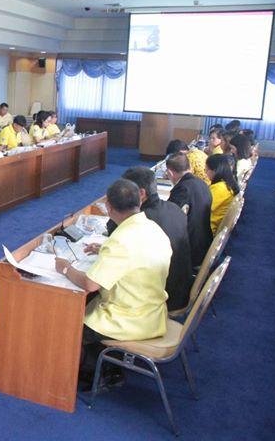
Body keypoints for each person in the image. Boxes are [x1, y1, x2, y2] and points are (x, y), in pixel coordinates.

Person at [55, 179, 171, 386]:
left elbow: (90, 284)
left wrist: (65, 268)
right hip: (153, 311)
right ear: (140, 200)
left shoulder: (121, 240)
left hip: (128, 319)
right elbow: (138, 255)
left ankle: (93, 372)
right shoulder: (153, 228)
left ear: (108, 207)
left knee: (65, 319)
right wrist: (103, 250)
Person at [110, 167, 193, 312]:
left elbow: (113, 233)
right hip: (181, 289)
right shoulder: (174, 208)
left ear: (141, 193)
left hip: (160, 299)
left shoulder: (141, 220)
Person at [165, 152, 213, 268]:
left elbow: (170, 220)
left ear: (170, 173)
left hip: (190, 251)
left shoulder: (182, 189)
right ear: (189, 167)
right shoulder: (203, 184)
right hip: (204, 244)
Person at [206, 154, 239, 234]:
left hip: (207, 229)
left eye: (206, 170)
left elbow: (201, 209)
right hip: (211, 225)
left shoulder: (220, 188)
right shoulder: (226, 184)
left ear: (215, 171)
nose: (205, 173)